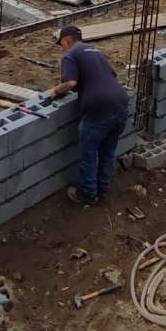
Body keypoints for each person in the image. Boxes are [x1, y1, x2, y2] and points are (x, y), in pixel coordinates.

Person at [49, 25, 130, 206]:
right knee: (108, 151)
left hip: (98, 110)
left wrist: (55, 91)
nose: (61, 48)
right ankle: (103, 187)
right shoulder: (95, 50)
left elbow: (70, 82)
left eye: (61, 43)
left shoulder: (70, 54)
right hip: (121, 104)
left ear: (67, 40)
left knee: (89, 153)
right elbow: (113, 73)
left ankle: (87, 193)